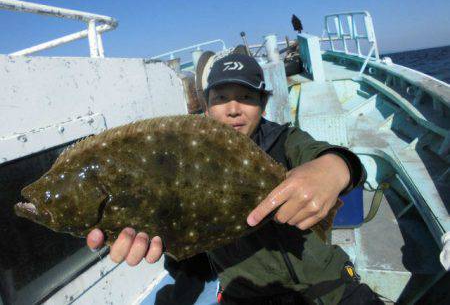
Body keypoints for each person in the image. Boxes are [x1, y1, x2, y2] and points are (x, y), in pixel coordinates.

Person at [87, 54, 382, 304]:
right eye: (221, 98)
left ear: (262, 105)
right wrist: (166, 237)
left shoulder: (285, 141)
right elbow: (194, 259)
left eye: (246, 97)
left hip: (334, 288)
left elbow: (332, 159)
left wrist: (334, 167)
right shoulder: (185, 165)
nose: (233, 109)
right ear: (206, 106)